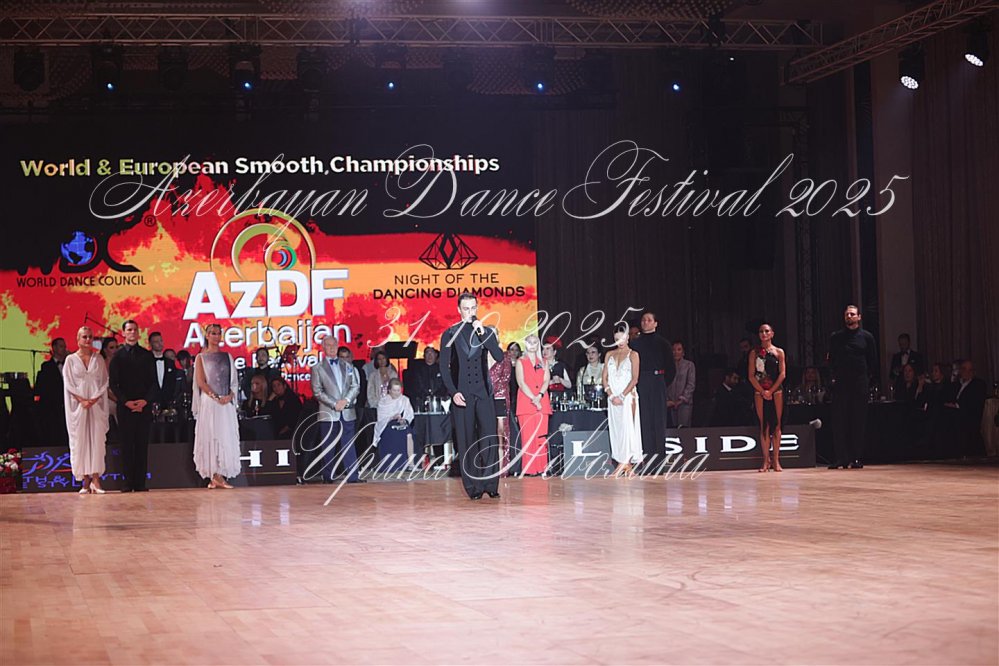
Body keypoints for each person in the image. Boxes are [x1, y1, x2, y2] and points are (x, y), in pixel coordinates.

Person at [439, 292, 504, 500]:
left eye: (473, 308)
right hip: (462, 394)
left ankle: (491, 484)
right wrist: (453, 392)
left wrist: (483, 333)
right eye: (466, 308)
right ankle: (473, 487)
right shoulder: (450, 334)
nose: (470, 312)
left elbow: (499, 356)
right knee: (466, 441)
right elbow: (444, 367)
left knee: (489, 439)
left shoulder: (486, 331)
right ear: (459, 310)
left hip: (483, 392)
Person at [826, 305, 877, 470]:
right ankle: (841, 458)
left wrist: (867, 380)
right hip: (841, 383)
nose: (849, 316)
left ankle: (856, 457)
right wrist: (833, 378)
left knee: (858, 421)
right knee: (839, 421)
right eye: (847, 314)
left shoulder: (867, 337)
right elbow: (831, 360)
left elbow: (872, 361)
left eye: (853, 314)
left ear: (859, 317)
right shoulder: (836, 337)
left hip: (859, 383)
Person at [108, 320, 157, 492]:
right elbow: (113, 384)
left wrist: (145, 401)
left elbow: (153, 382)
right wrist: (126, 402)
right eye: (129, 330)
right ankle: (127, 483)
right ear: (123, 333)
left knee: (142, 445)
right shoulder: (117, 357)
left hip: (144, 407)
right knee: (126, 445)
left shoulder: (147, 355)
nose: (132, 332)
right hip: (125, 407)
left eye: (135, 330)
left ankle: (140, 483)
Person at [192, 324, 241, 489]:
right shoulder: (201, 357)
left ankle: (220, 474)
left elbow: (233, 381)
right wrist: (216, 397)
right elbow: (201, 382)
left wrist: (230, 396)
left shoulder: (227, 356)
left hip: (225, 404)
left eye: (218, 333)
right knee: (211, 435)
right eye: (213, 333)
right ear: (207, 335)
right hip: (210, 403)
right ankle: (214, 475)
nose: (216, 336)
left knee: (224, 435)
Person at [62, 326, 110, 494]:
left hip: (96, 405)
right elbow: (68, 383)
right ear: (78, 339)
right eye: (84, 337)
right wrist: (81, 400)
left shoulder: (99, 359)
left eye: (90, 337)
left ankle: (96, 479)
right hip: (78, 407)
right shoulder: (70, 360)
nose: (88, 340)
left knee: (96, 440)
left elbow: (104, 381)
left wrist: (94, 399)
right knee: (80, 440)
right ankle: (85, 479)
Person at [312, 339, 363, 484]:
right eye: (328, 345)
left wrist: (346, 400)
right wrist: (334, 404)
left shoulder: (347, 366)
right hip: (328, 412)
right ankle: (328, 476)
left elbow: (355, 386)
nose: (332, 348)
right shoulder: (317, 368)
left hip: (346, 411)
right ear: (323, 347)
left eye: (334, 345)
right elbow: (317, 391)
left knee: (349, 444)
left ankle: (353, 476)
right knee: (328, 445)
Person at [629, 311, 675, 470]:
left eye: (649, 320)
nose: (645, 322)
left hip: (658, 381)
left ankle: (660, 462)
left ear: (655, 323)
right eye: (643, 320)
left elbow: (671, 368)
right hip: (641, 382)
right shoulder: (635, 344)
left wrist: (661, 383)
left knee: (658, 421)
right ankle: (646, 461)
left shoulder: (663, 343)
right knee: (644, 421)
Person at [603, 328, 643, 476]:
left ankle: (624, 463)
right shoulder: (609, 354)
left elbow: (635, 379)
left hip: (627, 397)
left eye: (622, 338)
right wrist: (610, 395)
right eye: (617, 339)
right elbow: (604, 377)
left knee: (628, 428)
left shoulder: (633, 355)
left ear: (627, 338)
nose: (620, 342)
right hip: (612, 398)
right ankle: (625, 465)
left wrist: (622, 396)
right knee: (616, 430)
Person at [749, 322, 786, 472]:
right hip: (760, 391)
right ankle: (765, 460)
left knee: (776, 425)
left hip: (776, 391)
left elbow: (782, 374)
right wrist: (763, 391)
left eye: (766, 331)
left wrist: (771, 390)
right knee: (764, 425)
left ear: (772, 334)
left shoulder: (779, 352)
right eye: (761, 332)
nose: (763, 334)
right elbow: (751, 376)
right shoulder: (754, 353)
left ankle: (776, 460)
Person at [515, 334, 551, 477]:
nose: (532, 344)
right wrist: (533, 398)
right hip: (526, 403)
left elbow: (546, 380)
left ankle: (542, 467)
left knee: (540, 437)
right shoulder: (520, 361)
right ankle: (529, 469)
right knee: (528, 437)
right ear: (525, 344)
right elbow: (521, 382)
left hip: (542, 402)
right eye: (529, 342)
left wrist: (540, 396)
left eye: (535, 342)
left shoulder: (543, 362)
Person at [944, 360, 987, 458]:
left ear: (973, 372)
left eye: (969, 370)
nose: (966, 372)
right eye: (964, 369)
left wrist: (957, 406)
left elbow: (975, 403)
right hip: (952, 414)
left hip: (968, 416)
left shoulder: (978, 384)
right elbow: (948, 397)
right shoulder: (955, 385)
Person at [373, 378, 416, 471]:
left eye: (398, 390)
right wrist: (392, 417)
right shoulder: (383, 401)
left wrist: (403, 419)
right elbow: (381, 419)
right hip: (387, 425)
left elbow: (409, 414)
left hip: (402, 424)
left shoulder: (405, 399)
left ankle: (411, 463)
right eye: (394, 390)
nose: (397, 393)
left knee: (408, 434)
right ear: (389, 390)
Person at [35, 336, 69, 446]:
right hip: (52, 406)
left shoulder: (69, 365)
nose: (64, 349)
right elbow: (44, 388)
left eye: (64, 346)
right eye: (61, 346)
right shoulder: (47, 366)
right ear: (54, 348)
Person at [489, 344, 517, 475]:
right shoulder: (480, 354)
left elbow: (504, 379)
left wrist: (486, 387)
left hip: (499, 398)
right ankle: (487, 467)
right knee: (486, 433)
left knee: (500, 434)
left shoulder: (505, 357)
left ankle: (501, 469)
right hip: (483, 399)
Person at [667, 340, 696, 427]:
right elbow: (665, 383)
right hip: (670, 403)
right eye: (674, 350)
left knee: (683, 428)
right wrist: (668, 400)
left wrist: (682, 399)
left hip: (684, 404)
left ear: (683, 352)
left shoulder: (689, 365)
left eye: (679, 349)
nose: (676, 352)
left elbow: (691, 384)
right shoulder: (668, 366)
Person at [149, 331, 178, 411]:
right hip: (150, 402)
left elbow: (173, 382)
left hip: (167, 402)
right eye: (156, 342)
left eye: (161, 341)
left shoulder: (170, 363)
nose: (159, 344)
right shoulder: (146, 361)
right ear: (150, 344)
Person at [542, 337, 572, 404]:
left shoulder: (560, 365)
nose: (544, 351)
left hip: (559, 397)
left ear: (554, 352)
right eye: (543, 349)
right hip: (544, 396)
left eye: (548, 348)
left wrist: (560, 380)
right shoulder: (539, 365)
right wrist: (550, 382)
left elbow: (569, 385)